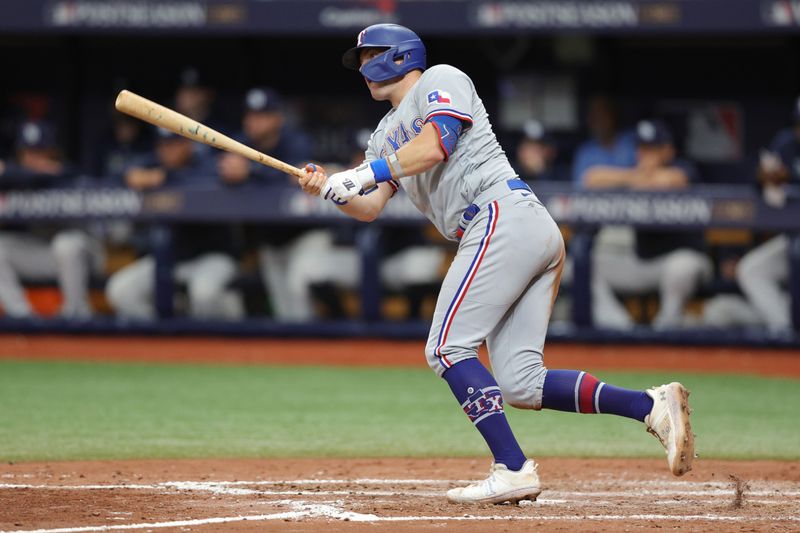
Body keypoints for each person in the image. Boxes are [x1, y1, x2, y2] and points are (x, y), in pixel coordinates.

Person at [297, 24, 695, 504]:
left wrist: (363, 173)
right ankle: (650, 407)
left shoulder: (439, 79)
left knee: (446, 347)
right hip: (509, 230)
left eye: (369, 56)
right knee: (522, 383)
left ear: (399, 56)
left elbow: (436, 143)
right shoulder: (382, 138)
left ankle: (512, 467)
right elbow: (371, 206)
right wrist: (329, 190)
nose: (362, 68)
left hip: (501, 216)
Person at [585, 119, 712, 329]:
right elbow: (591, 178)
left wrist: (640, 177)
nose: (645, 155)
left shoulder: (684, 169)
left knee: (680, 268)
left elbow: (670, 181)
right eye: (642, 149)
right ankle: (621, 330)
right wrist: (634, 176)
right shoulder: (634, 174)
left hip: (686, 259)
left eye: (653, 149)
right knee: (583, 265)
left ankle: (667, 330)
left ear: (668, 151)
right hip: (644, 262)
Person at [105, 127, 243, 320]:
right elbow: (118, 173)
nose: (168, 150)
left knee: (203, 294)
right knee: (121, 290)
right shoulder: (154, 162)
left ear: (188, 144)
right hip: (171, 259)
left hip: (213, 255)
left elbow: (209, 178)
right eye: (164, 145)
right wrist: (129, 175)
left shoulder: (206, 163)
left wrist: (166, 178)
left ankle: (209, 346)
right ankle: (161, 344)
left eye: (174, 144)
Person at [216, 87, 314, 320]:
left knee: (297, 290)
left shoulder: (296, 140)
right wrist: (228, 171)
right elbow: (217, 168)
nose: (254, 122)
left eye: (262, 116)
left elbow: (295, 175)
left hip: (304, 237)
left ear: (277, 118)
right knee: (283, 307)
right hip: (269, 241)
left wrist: (250, 170)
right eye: (251, 115)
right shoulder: (240, 142)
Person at [704, 97, 800, 332]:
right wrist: (769, 179)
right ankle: (784, 332)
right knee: (752, 269)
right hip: (793, 239)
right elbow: (759, 189)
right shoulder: (786, 144)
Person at [0, 120, 103, 319]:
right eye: (28, 153)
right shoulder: (16, 180)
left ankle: (76, 314)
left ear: (53, 152)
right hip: (45, 255)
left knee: (65, 244)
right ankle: (22, 318)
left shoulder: (70, 176)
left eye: (40, 152)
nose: (33, 158)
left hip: (86, 253)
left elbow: (64, 175)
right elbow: (22, 176)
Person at [572, 95, 637, 186]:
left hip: (633, 199)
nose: (597, 120)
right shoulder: (585, 151)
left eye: (601, 114)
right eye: (593, 115)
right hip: (596, 200)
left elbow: (650, 176)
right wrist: (630, 177)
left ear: (612, 115)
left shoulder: (631, 142)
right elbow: (586, 181)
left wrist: (604, 178)